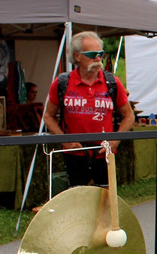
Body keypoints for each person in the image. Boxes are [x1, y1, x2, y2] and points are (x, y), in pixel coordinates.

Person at [44, 31, 134, 187]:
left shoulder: (112, 82)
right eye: (93, 54)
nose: (98, 58)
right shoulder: (62, 82)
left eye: (101, 53)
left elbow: (128, 116)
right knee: (78, 200)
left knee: (105, 200)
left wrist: (116, 141)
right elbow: (48, 116)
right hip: (74, 154)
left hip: (104, 152)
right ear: (77, 56)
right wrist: (65, 141)